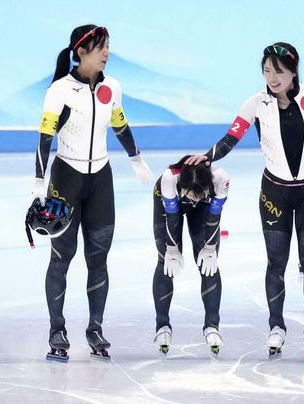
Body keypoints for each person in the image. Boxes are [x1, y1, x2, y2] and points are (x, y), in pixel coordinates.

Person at [186, 42, 304, 357]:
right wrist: (208, 157)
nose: (272, 76)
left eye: (278, 71)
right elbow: (231, 137)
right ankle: (277, 327)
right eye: (267, 70)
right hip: (274, 194)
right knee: (276, 263)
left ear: (293, 71)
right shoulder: (256, 104)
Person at [31, 24, 153, 361]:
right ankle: (57, 331)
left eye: (109, 46)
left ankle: (95, 329)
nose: (107, 52)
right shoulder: (59, 91)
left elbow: (120, 124)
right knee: (61, 259)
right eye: (101, 47)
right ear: (82, 51)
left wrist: (136, 159)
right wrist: (38, 185)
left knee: (98, 261)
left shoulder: (112, 87)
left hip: (101, 181)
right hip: (65, 181)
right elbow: (45, 138)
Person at [152, 155, 229, 356]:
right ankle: (162, 325)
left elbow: (215, 216)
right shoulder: (168, 179)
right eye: (190, 195)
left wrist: (210, 247)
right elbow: (172, 218)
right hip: (169, 204)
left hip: (204, 210)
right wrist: (171, 248)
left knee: (209, 264)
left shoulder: (220, 178)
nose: (194, 199)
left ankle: (212, 325)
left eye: (199, 195)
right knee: (166, 261)